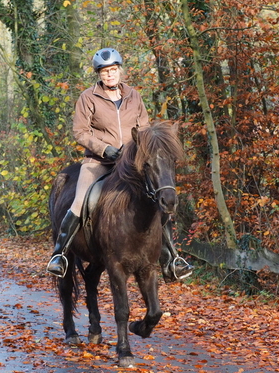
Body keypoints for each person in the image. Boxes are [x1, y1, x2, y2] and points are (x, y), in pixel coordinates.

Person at [46, 48, 193, 281]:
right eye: (105, 72)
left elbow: (144, 129)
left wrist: (139, 150)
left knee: (156, 200)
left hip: (130, 163)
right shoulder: (88, 97)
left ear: (120, 71)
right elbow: (80, 132)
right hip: (98, 162)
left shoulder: (134, 96)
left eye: (113, 70)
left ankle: (172, 259)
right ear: (99, 74)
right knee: (83, 200)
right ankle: (60, 255)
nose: (109, 75)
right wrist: (105, 149)